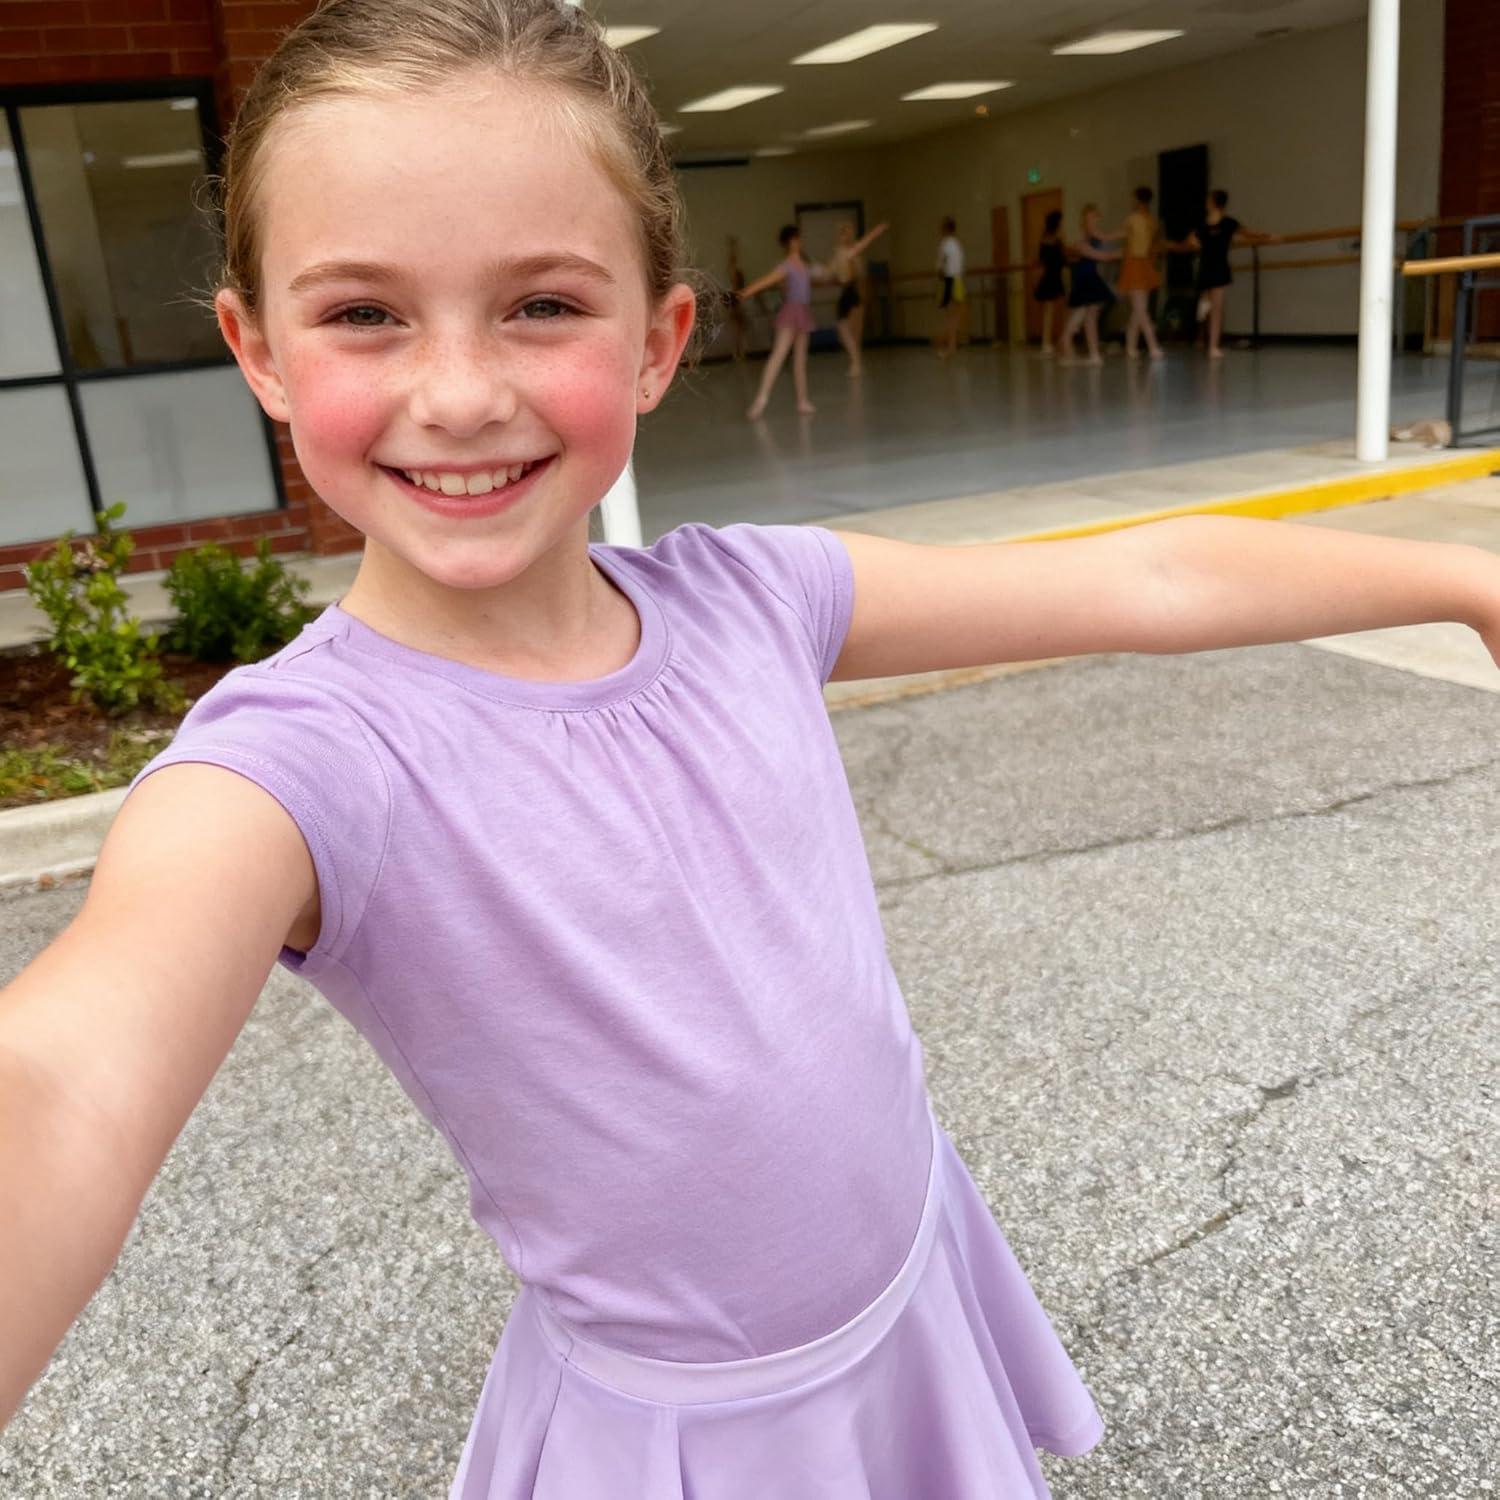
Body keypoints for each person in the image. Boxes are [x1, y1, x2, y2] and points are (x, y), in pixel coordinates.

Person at [4, 4, 1500, 1497]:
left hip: (910, 1280)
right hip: (688, 1437)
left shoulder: (754, 600)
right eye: (362, 314)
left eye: (541, 304)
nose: (458, 392)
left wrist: (1464, 582)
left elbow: (1144, 580)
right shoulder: (300, 766)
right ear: (256, 349)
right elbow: (63, 1083)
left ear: (658, 341)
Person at [1170, 188, 1278, 359]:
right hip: (1205, 268)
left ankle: (1213, 346)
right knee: (1206, 304)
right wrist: (1171, 246)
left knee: (1217, 309)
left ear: (1214, 202)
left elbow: (1248, 233)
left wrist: (1268, 236)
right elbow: (1187, 243)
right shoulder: (1202, 225)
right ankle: (1202, 339)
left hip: (1220, 268)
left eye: (1208, 199)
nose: (1206, 202)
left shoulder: (1229, 223)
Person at [740, 224, 819, 418]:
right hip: (791, 311)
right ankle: (761, 399)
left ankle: (802, 401)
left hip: (803, 312)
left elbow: (819, 277)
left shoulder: (805, 265)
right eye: (797, 239)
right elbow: (766, 281)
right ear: (790, 242)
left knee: (800, 360)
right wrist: (744, 293)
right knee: (779, 354)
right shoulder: (787, 265)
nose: (800, 242)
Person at [1058, 203, 1120, 365]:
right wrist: (1125, 250)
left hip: (1089, 277)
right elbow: (1103, 256)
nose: (1094, 220)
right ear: (1085, 219)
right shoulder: (1084, 238)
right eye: (1091, 217)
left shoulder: (1094, 234)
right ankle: (1085, 351)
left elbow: (1107, 238)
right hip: (1084, 278)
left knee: (1087, 315)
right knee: (1086, 315)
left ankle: (1090, 352)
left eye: (1095, 217)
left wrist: (1126, 234)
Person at [827, 219, 888, 377]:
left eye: (845, 234)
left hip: (850, 291)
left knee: (848, 328)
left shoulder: (850, 251)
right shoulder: (838, 252)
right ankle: (855, 362)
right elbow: (831, 271)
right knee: (843, 328)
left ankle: (855, 362)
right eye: (841, 234)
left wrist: (877, 231)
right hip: (847, 290)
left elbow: (865, 242)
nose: (842, 237)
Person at [1117, 186, 1165, 361]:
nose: (1131, 202)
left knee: (1139, 310)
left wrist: (1102, 236)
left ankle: (1147, 347)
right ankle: (1136, 347)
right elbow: (1153, 247)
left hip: (1136, 264)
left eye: (1132, 198)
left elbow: (1121, 236)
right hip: (1143, 264)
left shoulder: (1135, 219)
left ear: (1138, 200)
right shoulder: (1152, 221)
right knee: (1140, 310)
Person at [1031, 208, 1068, 355]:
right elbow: (1062, 258)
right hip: (1053, 277)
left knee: (1053, 311)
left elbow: (1039, 261)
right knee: (1055, 310)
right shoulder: (1057, 241)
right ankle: (1050, 341)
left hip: (1051, 277)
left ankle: (1052, 341)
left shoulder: (1043, 240)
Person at [935, 215, 966, 358]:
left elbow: (941, 266)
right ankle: (950, 344)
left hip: (949, 279)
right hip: (957, 279)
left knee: (950, 315)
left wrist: (940, 275)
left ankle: (949, 344)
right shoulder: (957, 244)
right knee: (955, 314)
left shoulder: (945, 244)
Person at [724, 235, 748, 361]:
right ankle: (738, 352)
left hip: (736, 302)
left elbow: (732, 264)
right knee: (738, 329)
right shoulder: (734, 278)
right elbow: (731, 263)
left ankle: (738, 352)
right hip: (735, 302)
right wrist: (733, 247)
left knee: (738, 329)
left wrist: (733, 247)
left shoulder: (736, 279)